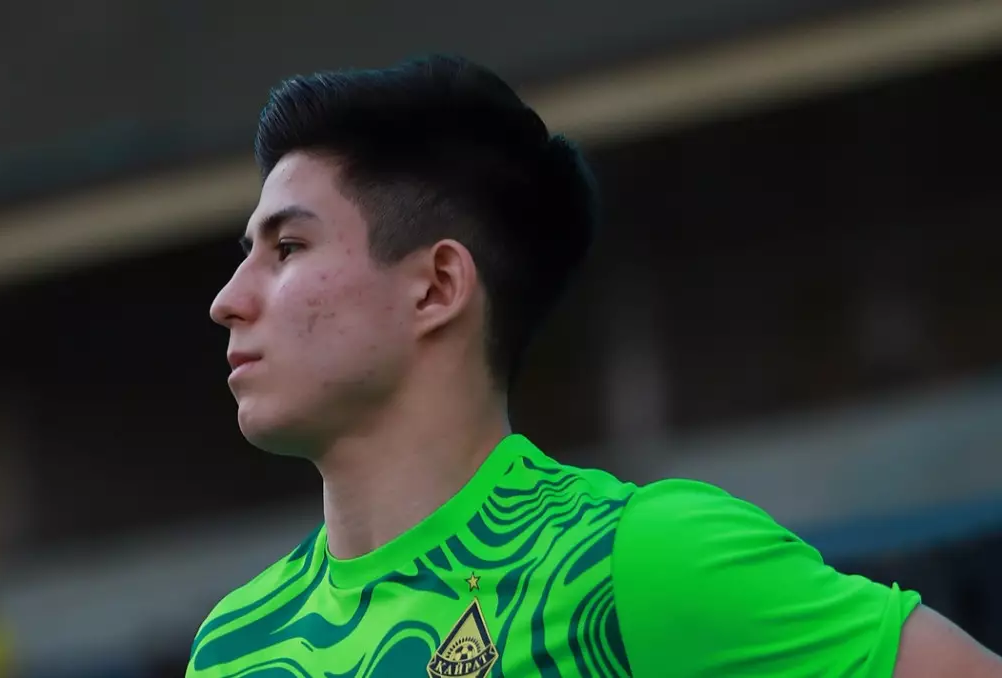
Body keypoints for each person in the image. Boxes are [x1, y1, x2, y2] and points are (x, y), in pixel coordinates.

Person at [188, 54, 1002, 677]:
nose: (228, 300)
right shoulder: (235, 644)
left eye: (288, 247)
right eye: (246, 253)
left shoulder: (632, 560)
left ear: (436, 287)